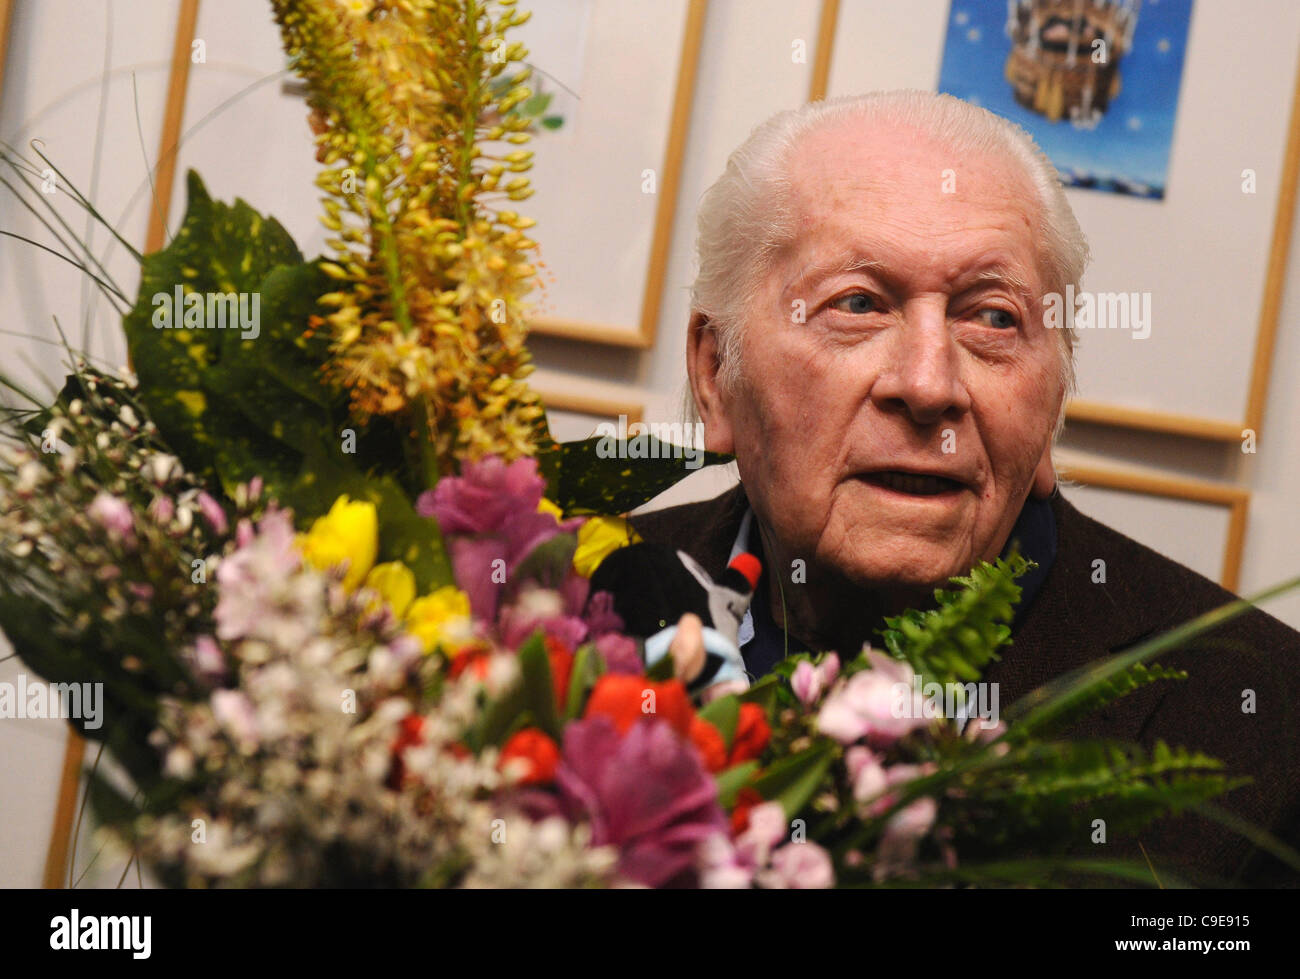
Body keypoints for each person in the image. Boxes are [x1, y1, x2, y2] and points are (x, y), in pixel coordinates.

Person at [628, 90, 1300, 886]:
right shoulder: (562, 608)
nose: (928, 385)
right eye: (857, 304)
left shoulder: (1270, 716)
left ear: (1055, 399)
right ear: (715, 373)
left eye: (993, 319)